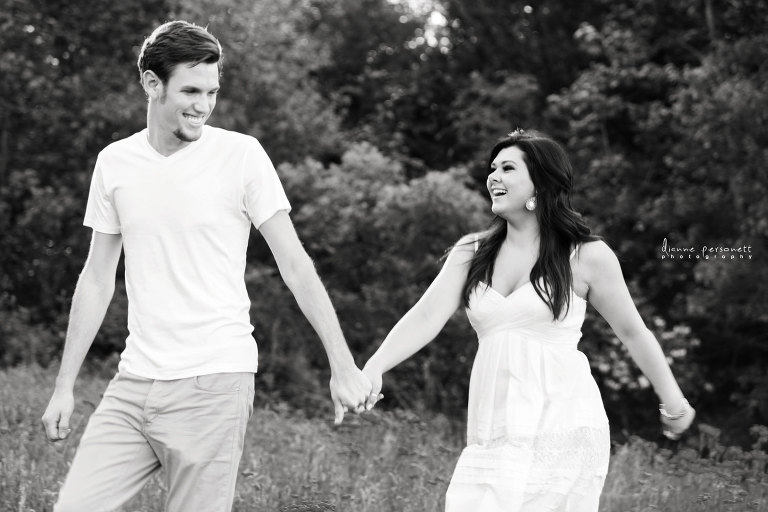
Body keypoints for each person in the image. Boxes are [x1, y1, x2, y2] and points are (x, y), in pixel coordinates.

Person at [40, 20, 374, 512]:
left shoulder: (240, 156)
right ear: (152, 84)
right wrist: (64, 386)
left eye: (212, 91)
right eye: (190, 90)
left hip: (214, 382)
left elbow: (296, 265)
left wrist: (342, 364)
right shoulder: (115, 163)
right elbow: (95, 279)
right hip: (134, 382)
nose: (204, 105)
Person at [362, 129, 695, 511]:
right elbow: (425, 316)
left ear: (540, 182)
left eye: (507, 168)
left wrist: (674, 404)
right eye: (492, 168)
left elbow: (633, 332)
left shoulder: (586, 256)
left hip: (564, 426)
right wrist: (376, 365)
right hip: (494, 430)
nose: (493, 177)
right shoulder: (471, 252)